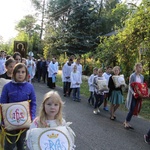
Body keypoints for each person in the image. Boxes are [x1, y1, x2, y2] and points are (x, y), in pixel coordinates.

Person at [0, 63, 36, 150]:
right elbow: (2, 104)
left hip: (24, 122)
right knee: (9, 145)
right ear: (14, 73)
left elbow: (33, 103)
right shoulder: (7, 87)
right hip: (10, 121)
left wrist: (32, 117)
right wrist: (3, 120)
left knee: (21, 145)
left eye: (23, 72)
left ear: (26, 74)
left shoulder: (30, 87)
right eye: (18, 72)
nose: (20, 74)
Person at [124, 63, 144, 129]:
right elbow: (130, 86)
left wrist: (142, 94)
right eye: (139, 67)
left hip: (138, 95)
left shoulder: (142, 77)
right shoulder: (132, 75)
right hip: (133, 95)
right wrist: (133, 93)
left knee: (135, 108)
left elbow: (141, 86)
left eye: (141, 67)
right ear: (135, 68)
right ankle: (126, 122)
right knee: (132, 108)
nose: (140, 69)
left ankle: (127, 121)